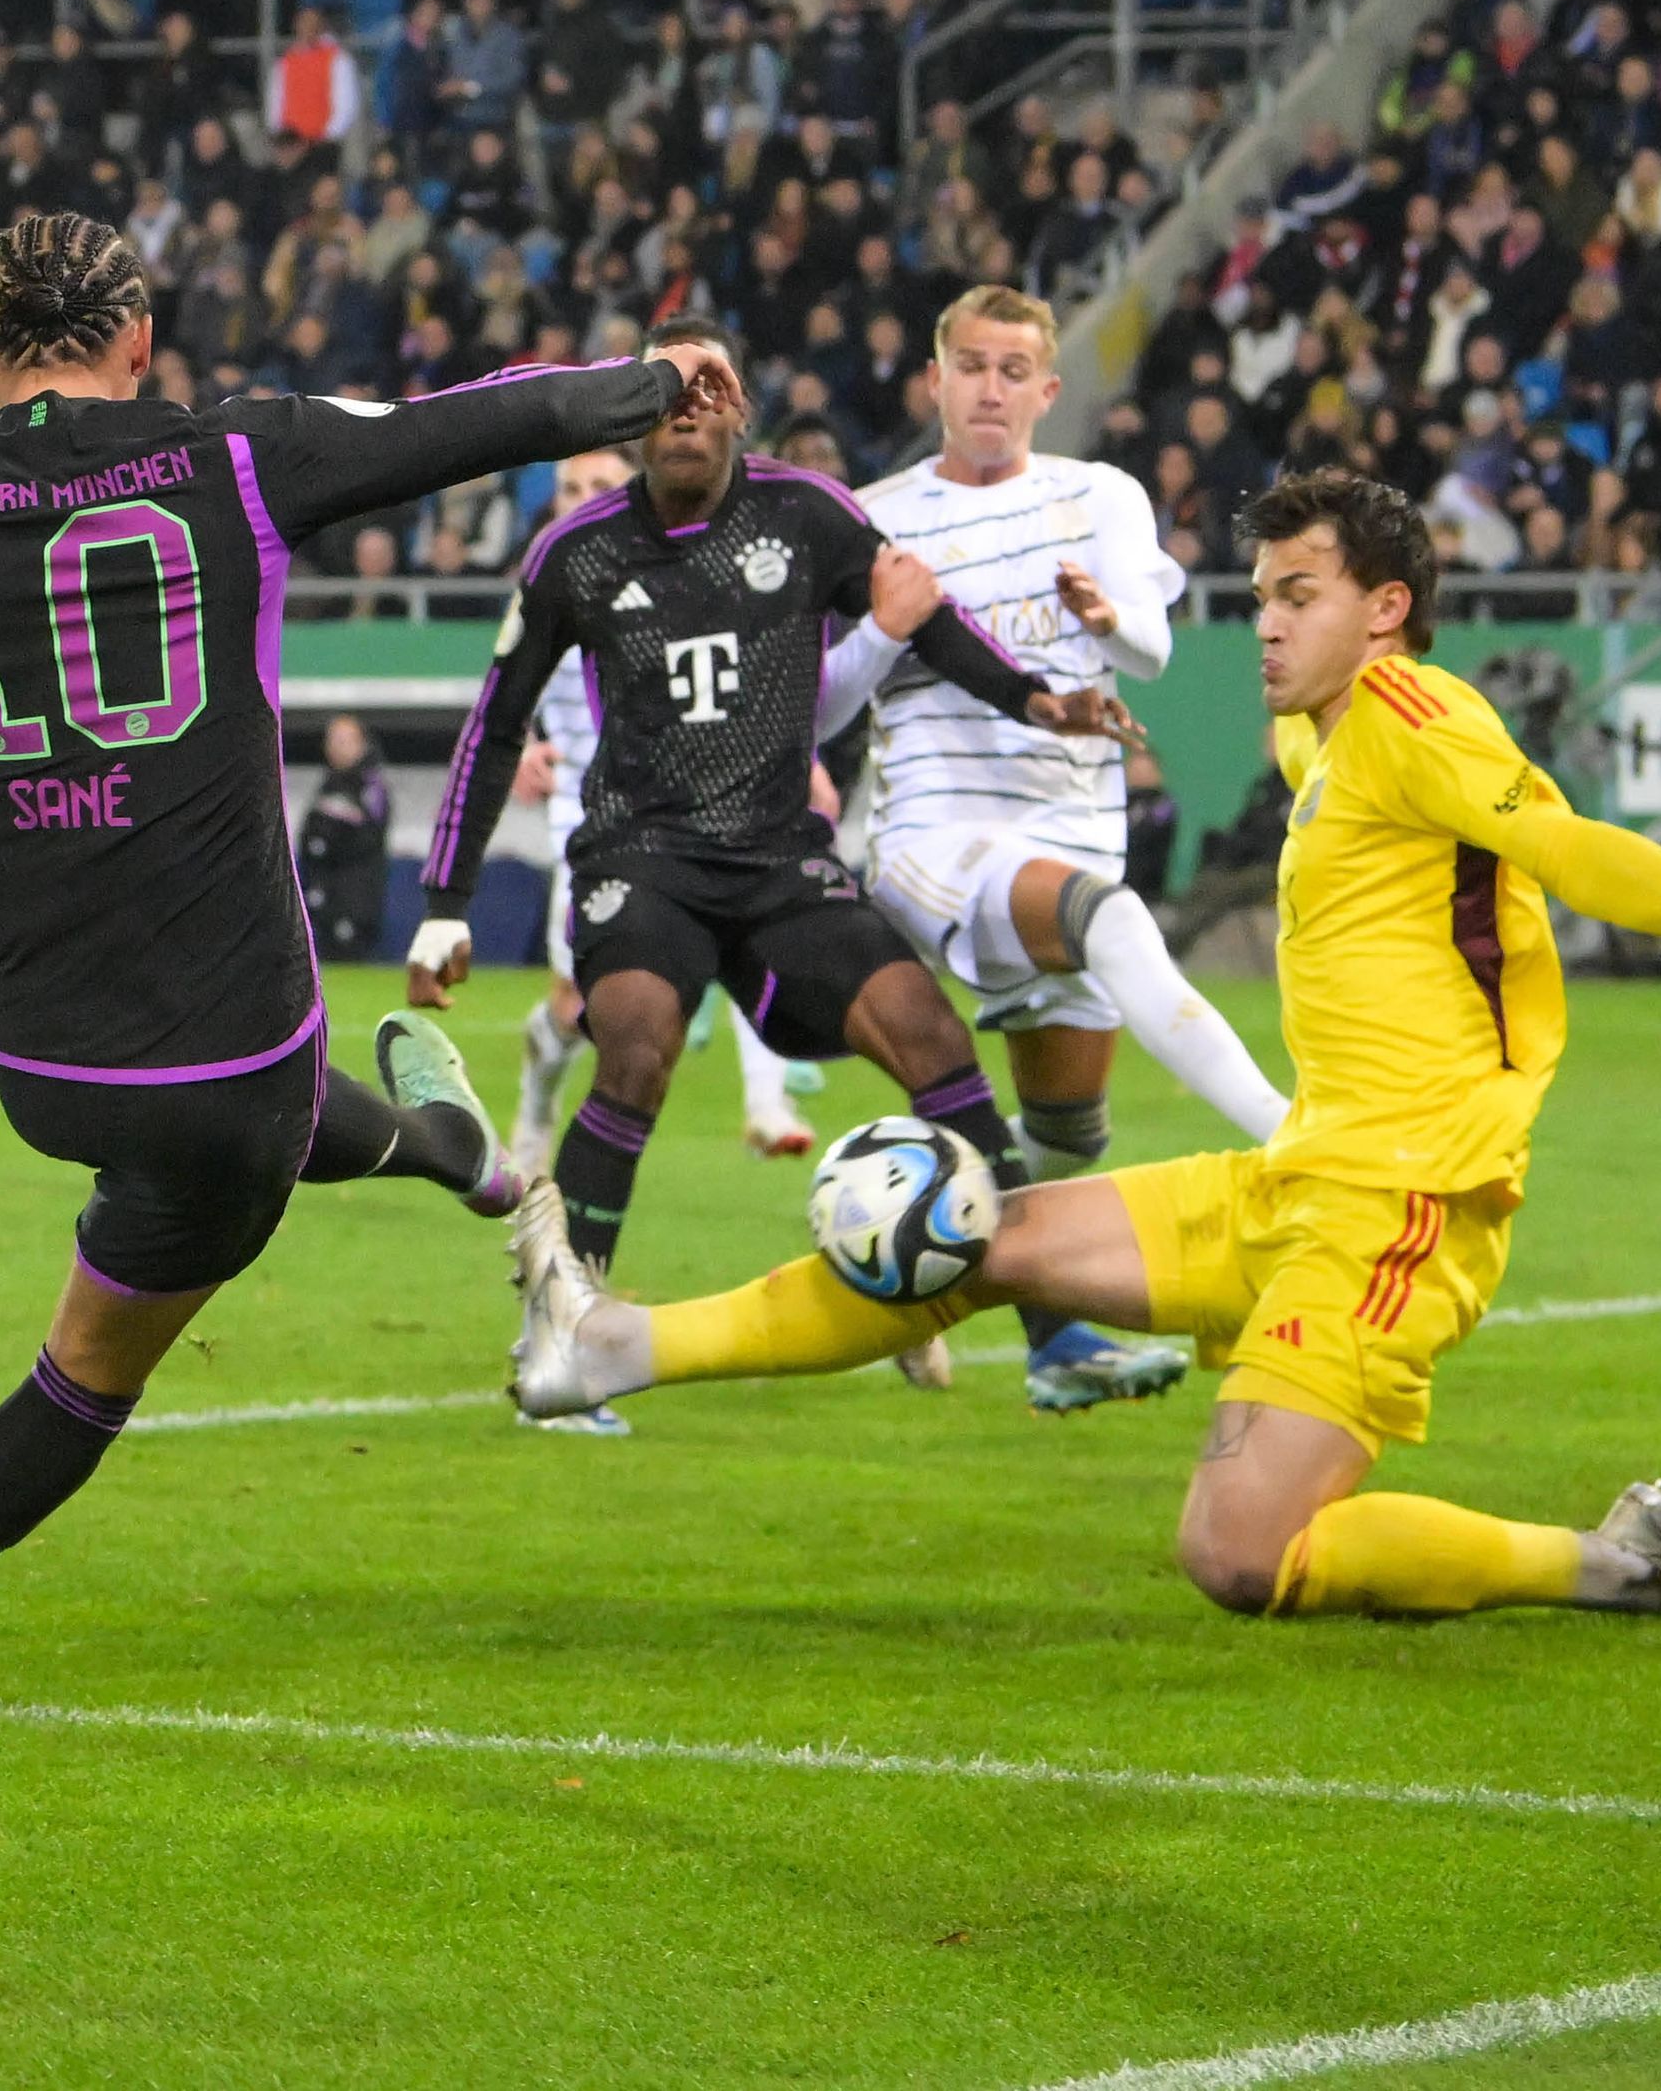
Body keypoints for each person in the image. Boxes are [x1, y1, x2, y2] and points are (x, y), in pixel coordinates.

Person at [0, 202, 728, 1706]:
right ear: (141, 343)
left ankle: (475, 1162)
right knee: (112, 1335)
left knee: (225, 1139)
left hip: (41, 1064)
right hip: (237, 1056)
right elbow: (472, 421)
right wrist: (651, 383)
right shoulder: (237, 456)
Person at [504, 471, 1661, 1620]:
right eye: (1260, 593)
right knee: (981, 1237)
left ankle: (1615, 1562)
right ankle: (609, 1345)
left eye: (1298, 593)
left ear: (1389, 609)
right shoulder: (1317, 731)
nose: (1265, 622)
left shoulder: (1413, 711)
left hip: (1404, 1204)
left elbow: (1565, 840)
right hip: (1307, 1174)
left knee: (1237, 1551)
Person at [407, 318, 1172, 1404]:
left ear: (739, 408)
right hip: (642, 860)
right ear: (628, 414)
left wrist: (1040, 701)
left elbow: (927, 620)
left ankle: (1053, 1337)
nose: (683, 404)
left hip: (777, 864)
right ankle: (562, 1336)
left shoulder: (805, 514)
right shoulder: (574, 554)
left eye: (706, 384)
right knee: (632, 1047)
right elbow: (492, 726)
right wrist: (446, 898)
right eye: (658, 387)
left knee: (929, 1034)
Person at [842, 287, 1293, 1407]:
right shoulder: (869, 518)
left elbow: (1148, 653)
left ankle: (958, 1300)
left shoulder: (1100, 496)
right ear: (934, 378)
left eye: (1012, 370)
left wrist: (1106, 623)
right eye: (969, 366)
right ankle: (1298, 1139)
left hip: (1067, 826)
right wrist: (875, 631)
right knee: (1112, 920)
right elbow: (814, 705)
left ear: (1047, 390)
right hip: (934, 834)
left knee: (1065, 1132)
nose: (989, 388)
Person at [506, 449, 824, 1205]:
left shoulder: (692, 572)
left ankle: (765, 1101)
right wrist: (523, 749)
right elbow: (503, 694)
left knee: (750, 933)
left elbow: (742, 678)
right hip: (590, 818)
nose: (583, 499)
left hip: (701, 805)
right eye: (570, 488)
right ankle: (538, 1085)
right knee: (582, 1010)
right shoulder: (548, 579)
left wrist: (797, 761)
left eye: (600, 486)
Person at [298, 713, 393, 960]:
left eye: (345, 740)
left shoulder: (371, 786)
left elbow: (369, 839)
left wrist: (332, 842)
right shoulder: (327, 785)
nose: (337, 747)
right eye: (333, 740)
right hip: (323, 896)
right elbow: (309, 837)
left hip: (356, 898)